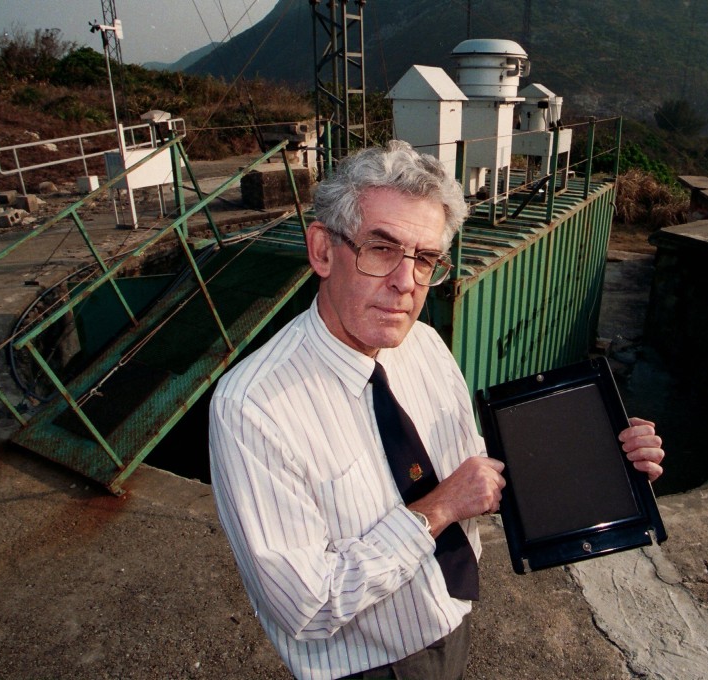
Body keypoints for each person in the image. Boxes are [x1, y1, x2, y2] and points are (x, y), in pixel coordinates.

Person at [209, 140, 665, 680]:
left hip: (451, 621)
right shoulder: (251, 407)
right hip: (363, 664)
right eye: (381, 249)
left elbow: (476, 476)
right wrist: (438, 510)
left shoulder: (425, 345)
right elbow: (305, 605)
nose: (406, 283)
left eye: (425, 259)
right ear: (322, 252)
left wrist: (603, 457)